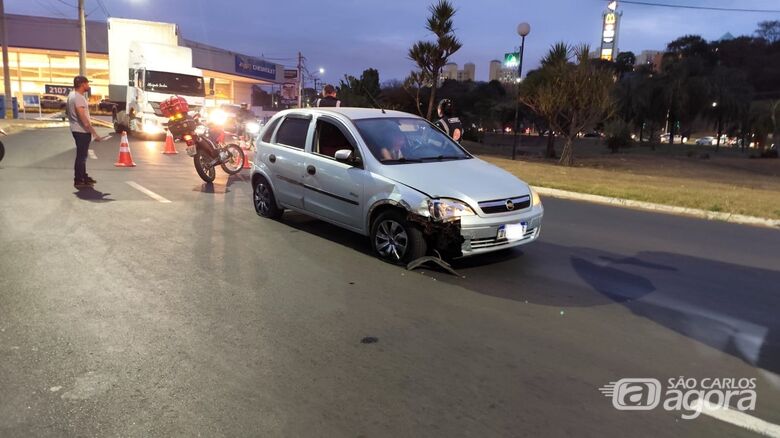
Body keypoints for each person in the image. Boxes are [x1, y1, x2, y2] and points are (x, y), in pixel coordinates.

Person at [67, 75, 101, 187]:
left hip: (75, 129)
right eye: (87, 83)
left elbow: (68, 112)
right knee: (81, 156)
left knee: (82, 156)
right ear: (82, 84)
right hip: (81, 131)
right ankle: (78, 180)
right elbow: (83, 117)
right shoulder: (79, 98)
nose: (88, 86)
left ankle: (83, 176)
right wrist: (94, 133)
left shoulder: (71, 95)